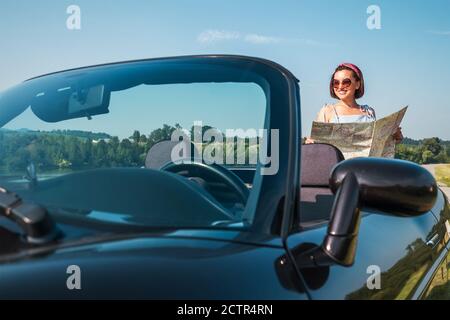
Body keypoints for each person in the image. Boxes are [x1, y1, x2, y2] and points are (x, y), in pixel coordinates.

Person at [305, 63, 403, 144]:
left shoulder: (369, 112)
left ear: (357, 84)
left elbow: (377, 145)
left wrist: (393, 137)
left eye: (346, 82)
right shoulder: (327, 111)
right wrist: (311, 143)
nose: (340, 86)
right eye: (336, 82)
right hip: (338, 166)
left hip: (364, 166)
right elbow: (319, 145)